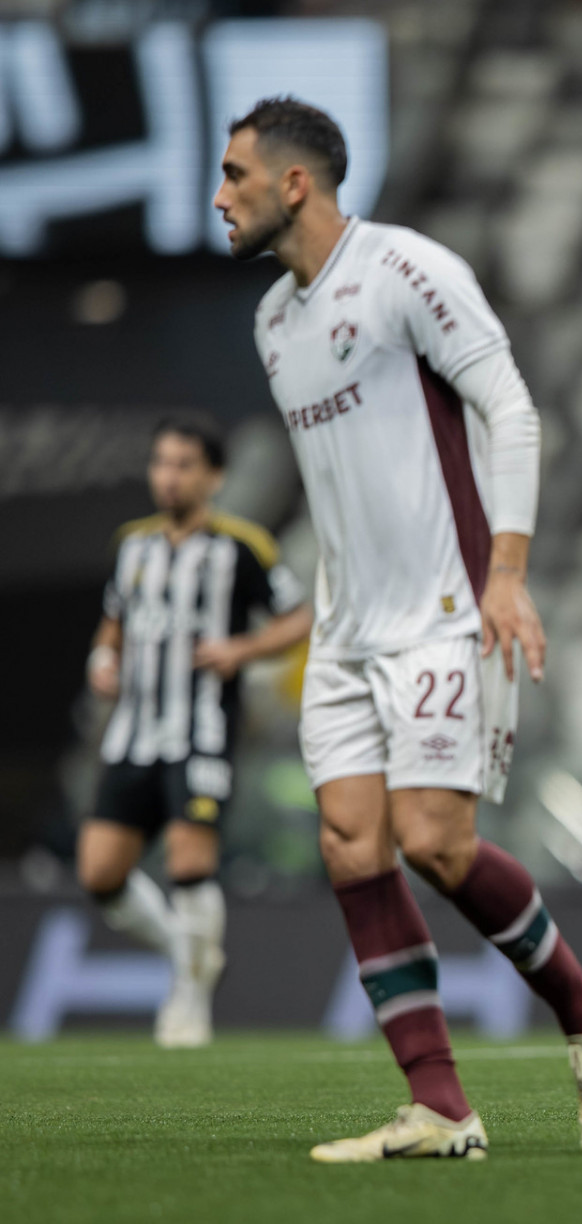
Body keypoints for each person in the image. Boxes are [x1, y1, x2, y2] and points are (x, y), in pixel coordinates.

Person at [215, 96, 582, 1160]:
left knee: (435, 842)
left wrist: (508, 574)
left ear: (294, 183)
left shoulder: (406, 269)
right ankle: (441, 1106)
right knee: (350, 844)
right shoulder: (272, 322)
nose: (219, 196)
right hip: (349, 633)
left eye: (234, 175)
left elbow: (510, 405)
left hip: (446, 614)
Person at [79, 414, 311, 1048]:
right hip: (132, 733)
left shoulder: (242, 547)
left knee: (189, 860)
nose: (170, 477)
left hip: (201, 730)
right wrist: (104, 659)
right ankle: (189, 954)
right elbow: (113, 623)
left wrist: (242, 650)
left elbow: (298, 619)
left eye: (184, 465)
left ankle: (188, 994)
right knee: (100, 872)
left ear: (214, 476)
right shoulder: (133, 545)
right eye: (161, 463)